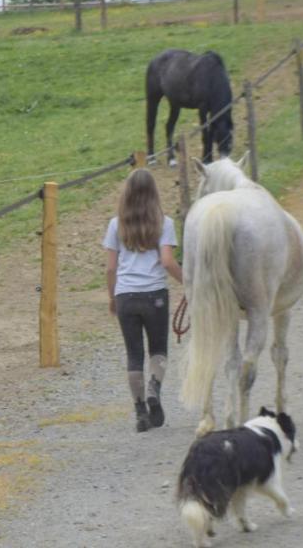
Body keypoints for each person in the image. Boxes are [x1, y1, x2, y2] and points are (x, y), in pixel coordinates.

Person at [103, 167, 183, 432]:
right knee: (158, 349)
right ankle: (154, 390)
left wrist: (113, 297)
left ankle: (140, 411)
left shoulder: (116, 225)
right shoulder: (165, 223)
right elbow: (168, 262)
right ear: (153, 193)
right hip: (155, 295)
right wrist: (188, 282)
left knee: (134, 355)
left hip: (126, 295)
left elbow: (111, 268)